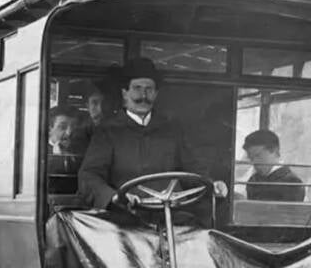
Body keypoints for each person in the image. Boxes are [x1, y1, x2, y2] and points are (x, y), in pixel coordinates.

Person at [78, 57, 227, 209]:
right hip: (125, 216)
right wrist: (114, 196)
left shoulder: (171, 129)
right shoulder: (108, 131)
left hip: (170, 213)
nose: (143, 96)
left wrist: (212, 184)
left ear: (155, 94)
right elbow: (89, 176)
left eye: (149, 89)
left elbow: (192, 170)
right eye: (137, 88)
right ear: (124, 93)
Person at [242, 129, 306, 202]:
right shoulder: (253, 180)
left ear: (273, 151)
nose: (253, 162)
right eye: (251, 157)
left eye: (258, 156)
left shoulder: (292, 183)